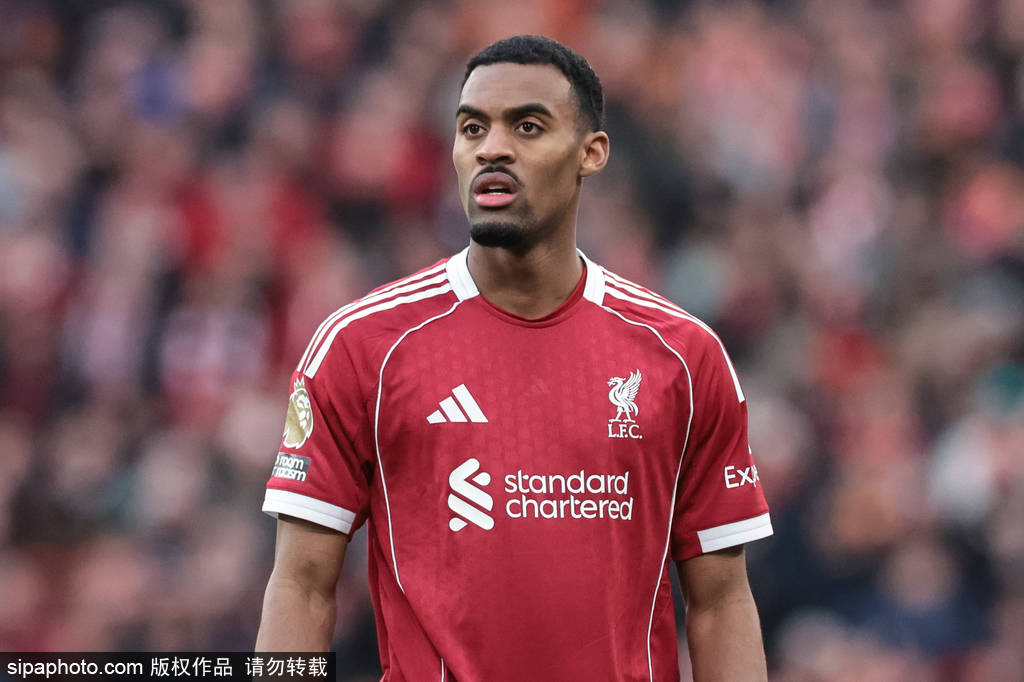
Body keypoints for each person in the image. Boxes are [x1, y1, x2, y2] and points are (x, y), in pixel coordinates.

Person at [256, 35, 772, 680]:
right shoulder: (362, 347)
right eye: (472, 128)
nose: (491, 148)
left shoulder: (683, 357)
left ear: (591, 153)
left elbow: (721, 602)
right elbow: (302, 586)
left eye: (527, 126)